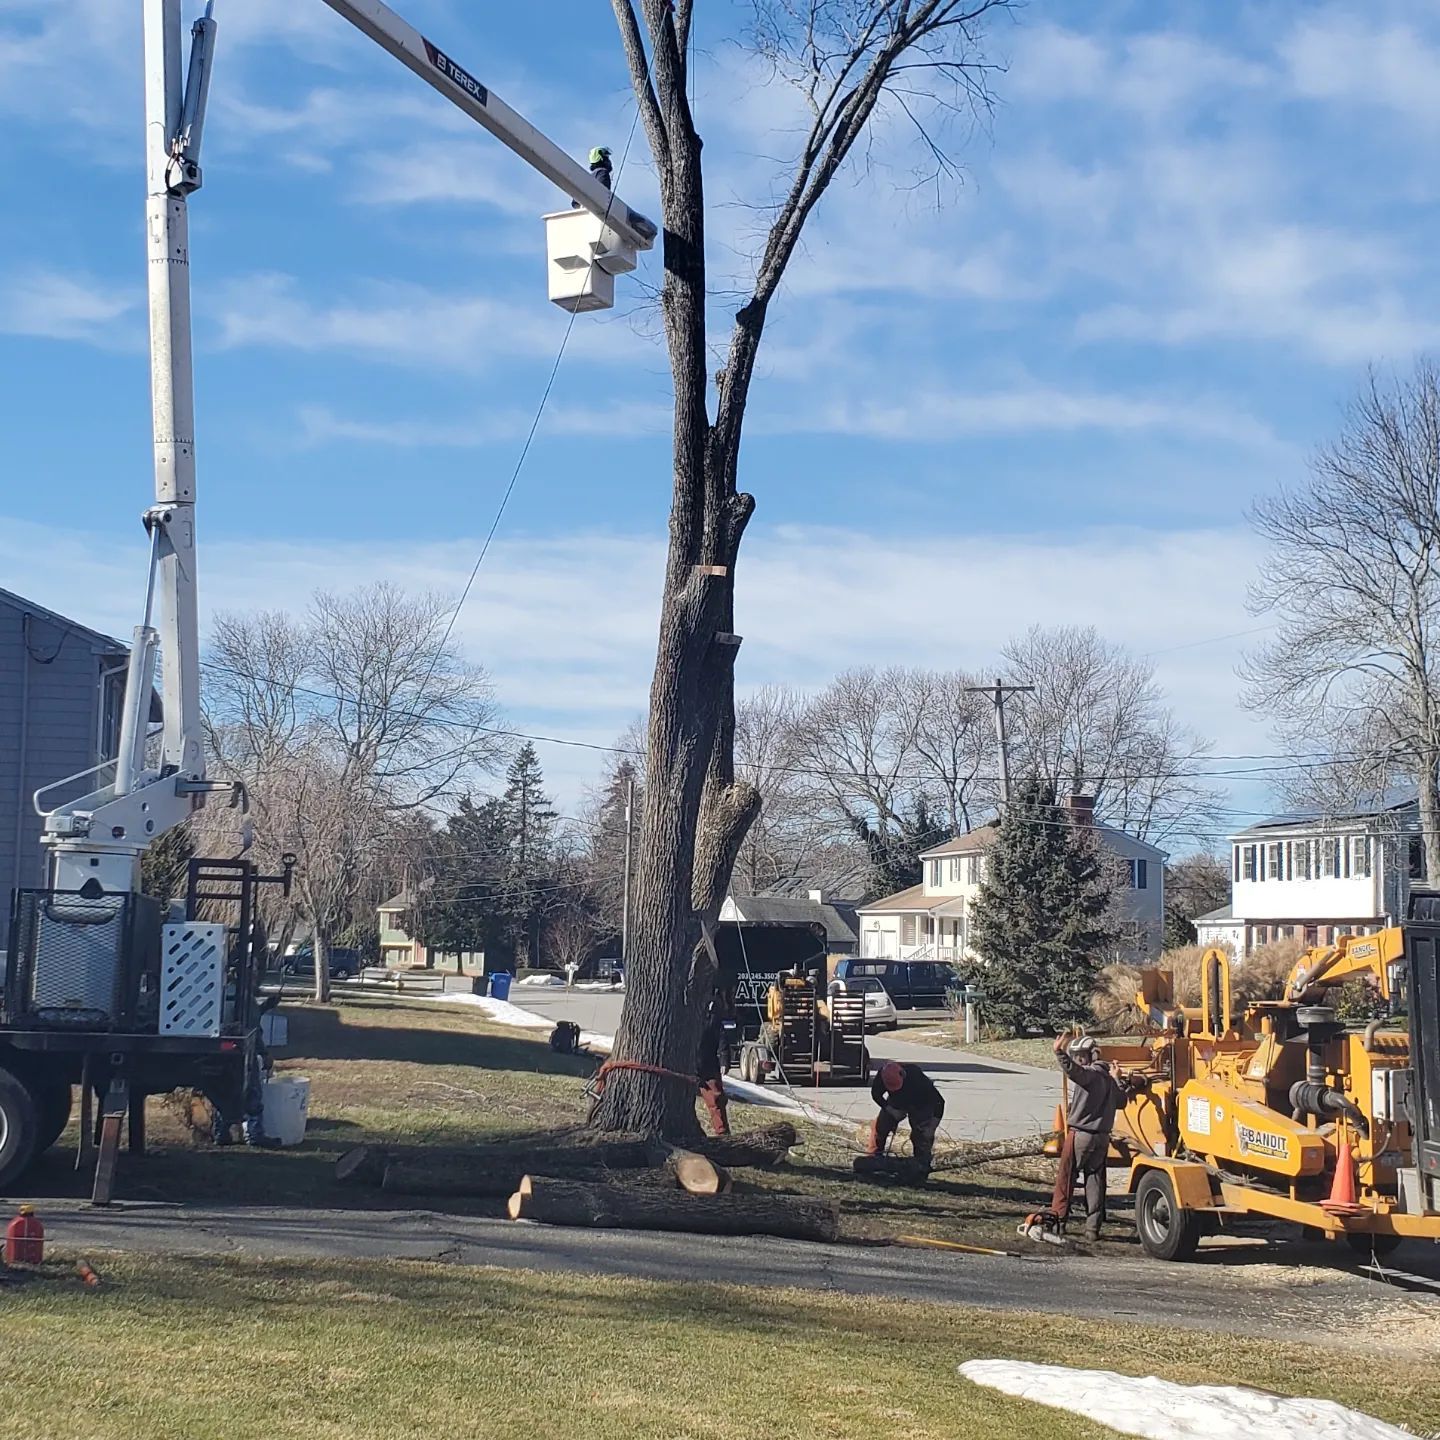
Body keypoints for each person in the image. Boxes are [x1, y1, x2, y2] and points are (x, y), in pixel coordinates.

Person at [1053, 1034, 1128, 1240]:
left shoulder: (1090, 1075)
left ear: (1091, 1056)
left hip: (1081, 1136)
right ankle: (1092, 1229)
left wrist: (1059, 1053)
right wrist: (1118, 1078)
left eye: (1080, 1056)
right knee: (1094, 1181)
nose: (1078, 1060)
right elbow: (1122, 1101)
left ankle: (1058, 1221)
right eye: (1075, 1056)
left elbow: (1073, 1071)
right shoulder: (1109, 1079)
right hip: (1102, 1138)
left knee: (1066, 1178)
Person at [868, 1060, 944, 1170]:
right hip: (896, 1103)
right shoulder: (882, 1076)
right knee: (880, 1126)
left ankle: (921, 1165)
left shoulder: (918, 1079)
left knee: (922, 1136)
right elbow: (876, 1094)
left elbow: (939, 1102)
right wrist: (890, 1110)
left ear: (902, 1075)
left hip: (920, 1104)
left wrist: (931, 1127)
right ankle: (873, 1158)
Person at [697, 994, 731, 1136]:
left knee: (716, 1099)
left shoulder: (714, 1020)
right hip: (689, 1063)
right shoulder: (690, 1017)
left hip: (708, 1065)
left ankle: (722, 1132)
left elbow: (722, 1039)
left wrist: (724, 1059)